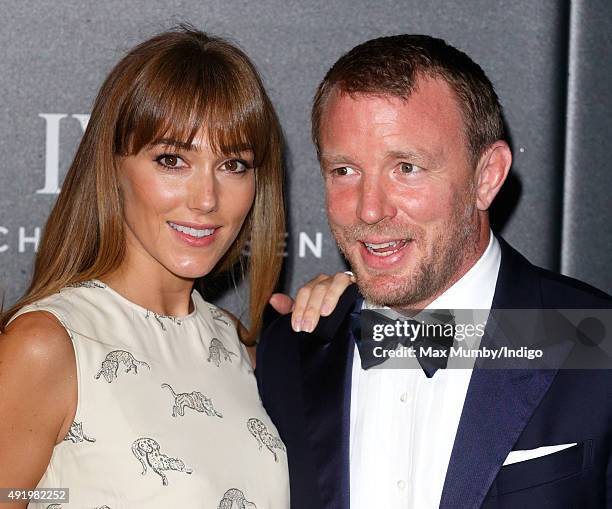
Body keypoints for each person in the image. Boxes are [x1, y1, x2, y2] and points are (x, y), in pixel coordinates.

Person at [256, 35, 612, 509]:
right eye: (344, 170)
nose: (368, 209)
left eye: (406, 167)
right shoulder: (292, 353)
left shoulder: (595, 343)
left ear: (487, 177)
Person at [0, 26, 298, 509]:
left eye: (234, 165)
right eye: (171, 159)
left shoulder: (239, 349)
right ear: (113, 168)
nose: (206, 199)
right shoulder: (48, 347)